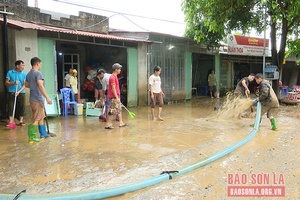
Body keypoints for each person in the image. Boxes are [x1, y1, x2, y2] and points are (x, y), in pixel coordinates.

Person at [25, 57, 52, 143]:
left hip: (33, 98)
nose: (40, 66)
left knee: (41, 117)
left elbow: (26, 85)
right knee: (36, 118)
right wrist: (47, 97)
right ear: (37, 64)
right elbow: (41, 86)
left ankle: (43, 133)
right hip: (37, 98)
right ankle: (32, 137)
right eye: (40, 64)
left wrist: (33, 87)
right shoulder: (38, 73)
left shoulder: (28, 74)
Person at [104, 63, 127, 129]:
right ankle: (107, 124)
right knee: (112, 110)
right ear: (115, 69)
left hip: (116, 96)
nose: (120, 70)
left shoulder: (115, 76)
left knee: (119, 109)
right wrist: (116, 97)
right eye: (119, 69)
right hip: (114, 97)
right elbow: (113, 88)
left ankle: (121, 122)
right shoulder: (112, 77)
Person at [5, 60, 27, 126]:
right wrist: (13, 83)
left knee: (21, 106)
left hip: (21, 92)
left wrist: (18, 91)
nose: (23, 67)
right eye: (22, 65)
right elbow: (6, 83)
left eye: (24, 65)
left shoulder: (24, 74)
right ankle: (11, 121)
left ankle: (21, 120)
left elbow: (25, 85)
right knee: (11, 106)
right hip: (11, 92)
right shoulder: (10, 72)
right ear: (17, 66)